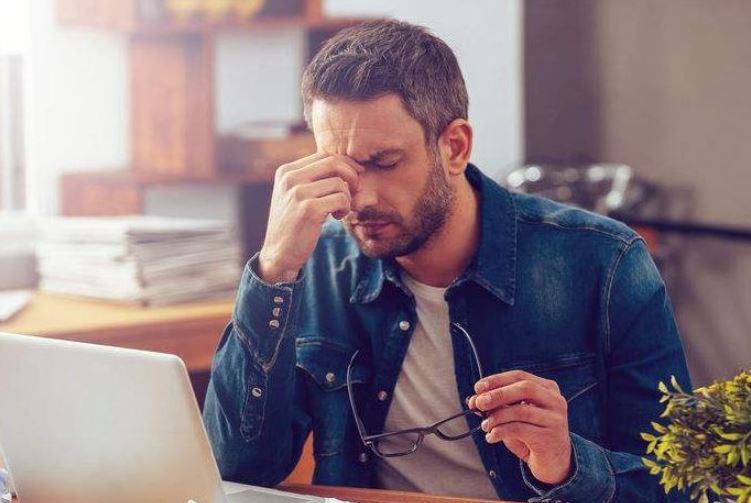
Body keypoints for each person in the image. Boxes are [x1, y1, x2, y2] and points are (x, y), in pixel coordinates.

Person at [203, 19, 692, 503]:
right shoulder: (314, 266)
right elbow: (238, 471)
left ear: (454, 147)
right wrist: (273, 272)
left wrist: (565, 463)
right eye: (341, 166)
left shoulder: (606, 263)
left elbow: (682, 485)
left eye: (385, 162)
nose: (360, 197)